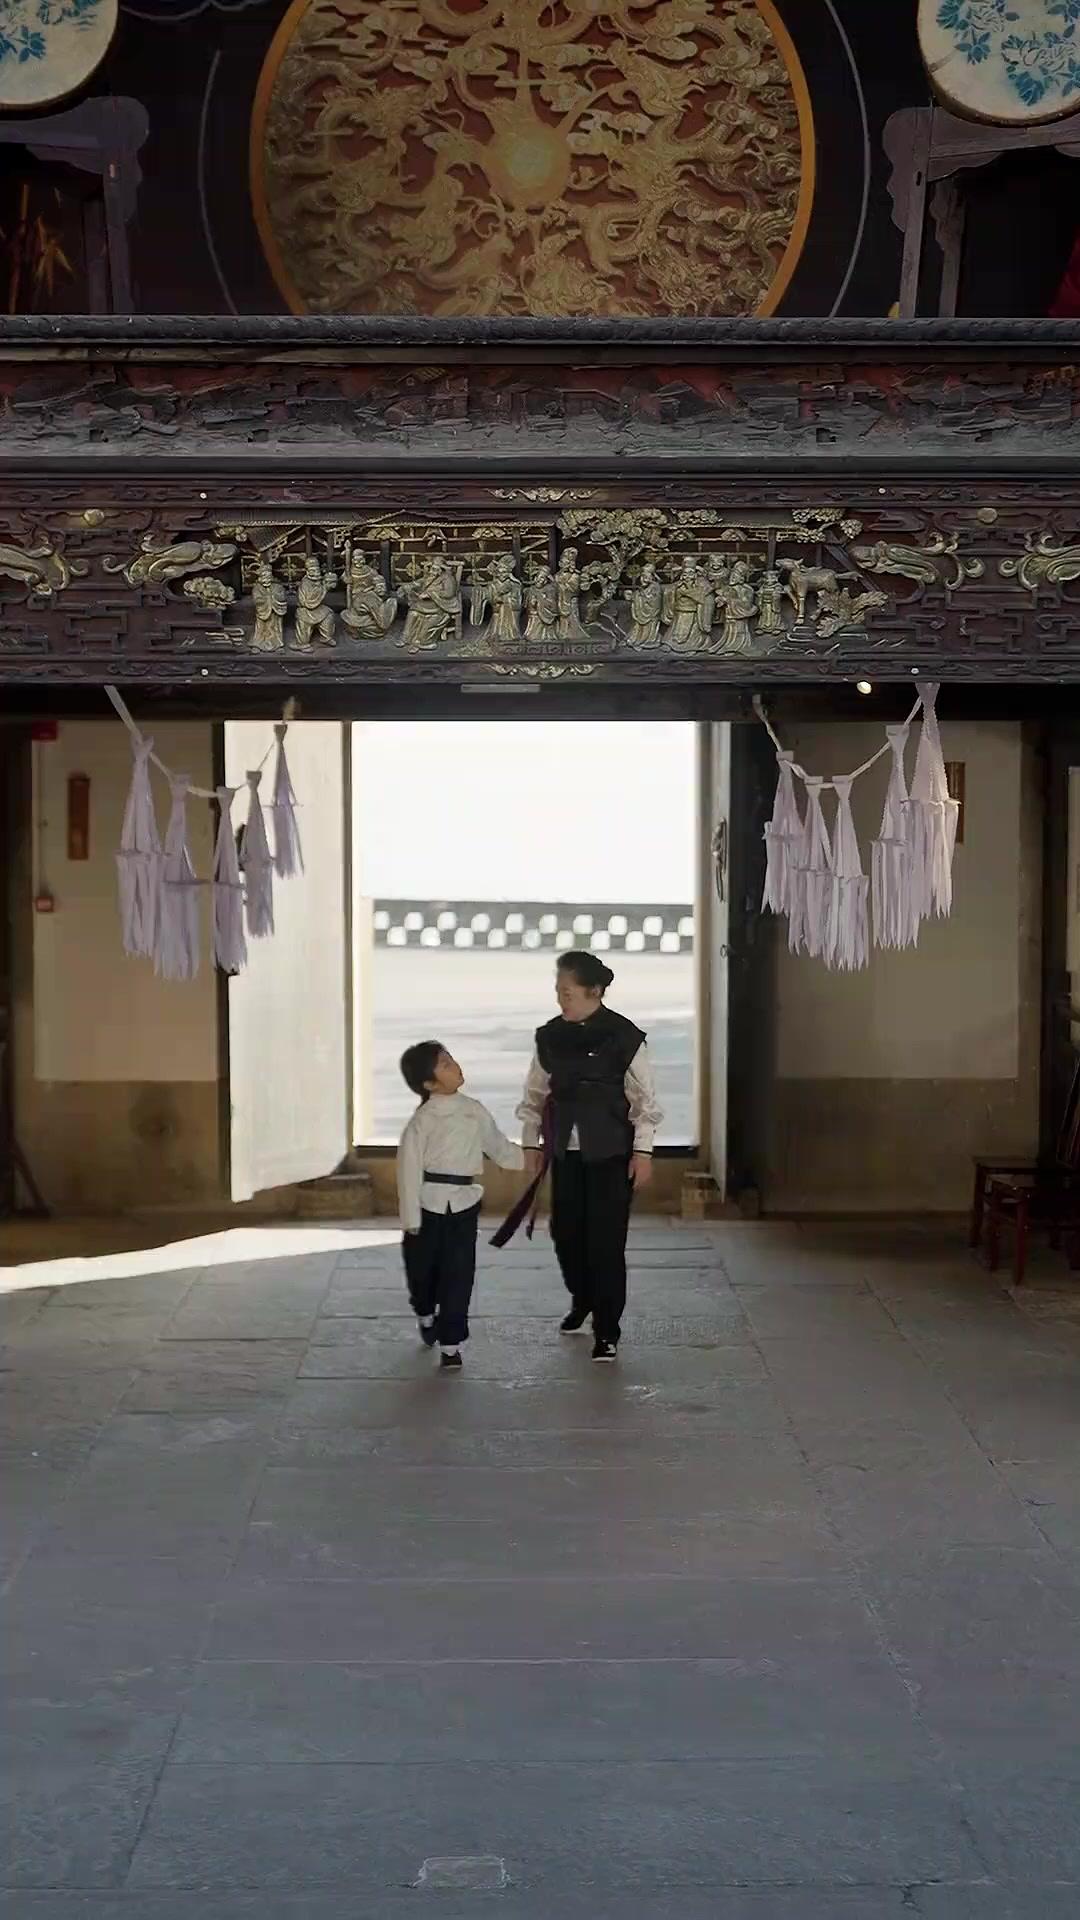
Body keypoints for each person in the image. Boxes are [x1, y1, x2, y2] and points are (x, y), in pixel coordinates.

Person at [516, 951, 663, 1362]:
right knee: (566, 1234)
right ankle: (582, 1297)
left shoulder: (624, 1036)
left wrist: (643, 1152)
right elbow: (534, 1095)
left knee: (606, 1242)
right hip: (565, 1152)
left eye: (568, 992)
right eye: (558, 991)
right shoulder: (549, 1036)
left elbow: (644, 1101)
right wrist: (531, 1142)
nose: (561, 999)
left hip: (612, 1154)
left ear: (594, 991)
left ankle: (607, 1329)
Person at [397, 1041, 523, 1369]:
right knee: (422, 1272)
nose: (455, 1065)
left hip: (464, 1206)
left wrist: (530, 1159)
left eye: (452, 1059)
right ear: (428, 1084)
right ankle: (425, 1312)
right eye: (444, 1064)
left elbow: (498, 1147)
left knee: (458, 1273)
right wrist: (410, 1217)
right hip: (428, 1205)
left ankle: (451, 1343)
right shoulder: (422, 1121)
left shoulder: (474, 1110)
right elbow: (409, 1170)